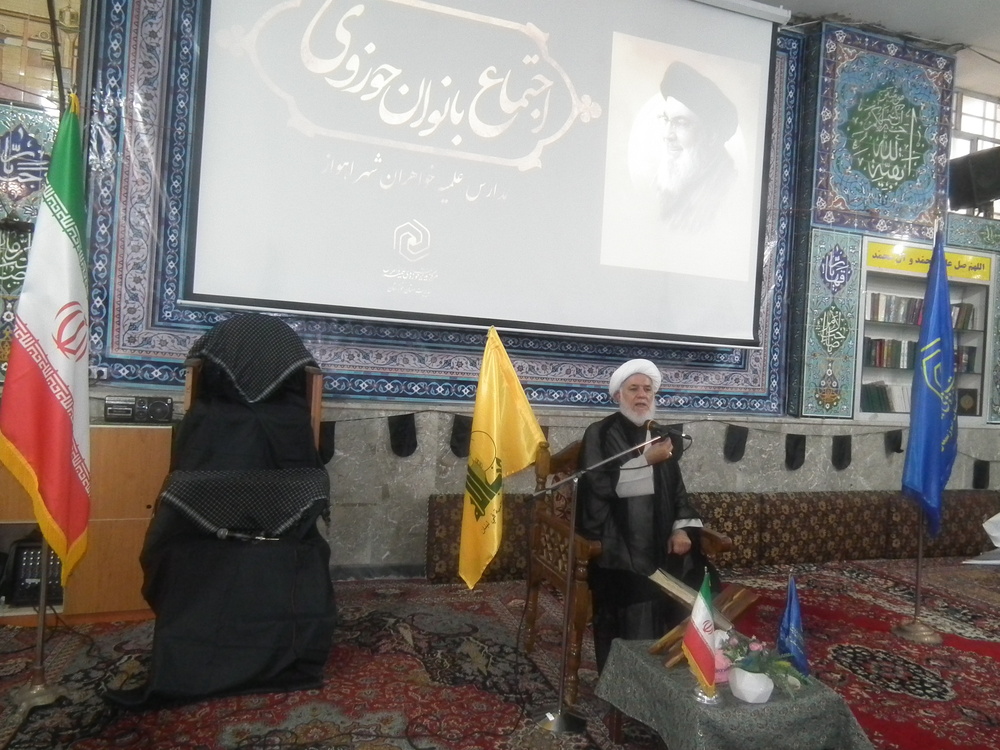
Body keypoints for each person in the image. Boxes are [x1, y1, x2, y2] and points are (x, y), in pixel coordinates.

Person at [576, 358, 713, 671]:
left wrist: (681, 529)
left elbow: (677, 491)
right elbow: (597, 486)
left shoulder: (660, 435)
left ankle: (682, 671)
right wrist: (645, 461)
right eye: (634, 389)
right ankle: (627, 679)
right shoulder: (599, 432)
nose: (642, 395)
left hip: (664, 542)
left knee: (698, 577)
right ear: (618, 395)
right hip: (619, 546)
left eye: (647, 389)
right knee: (635, 592)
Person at [629, 60, 739, 232]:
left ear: (712, 136)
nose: (667, 135)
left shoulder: (729, 193)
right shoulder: (663, 184)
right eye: (666, 119)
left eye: (680, 123)